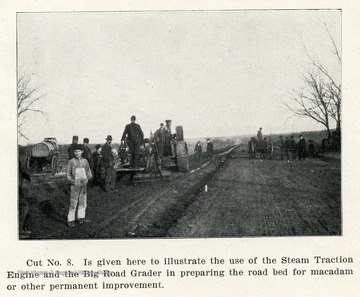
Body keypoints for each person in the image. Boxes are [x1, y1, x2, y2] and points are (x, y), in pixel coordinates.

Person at [66, 144, 92, 228]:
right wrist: (72, 181)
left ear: (82, 152)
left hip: (83, 184)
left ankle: (81, 217)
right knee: (73, 202)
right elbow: (68, 175)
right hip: (75, 185)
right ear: (73, 152)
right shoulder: (71, 162)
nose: (77, 153)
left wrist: (87, 178)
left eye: (79, 151)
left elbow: (89, 172)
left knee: (83, 201)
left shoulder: (85, 161)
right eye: (75, 151)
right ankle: (71, 220)